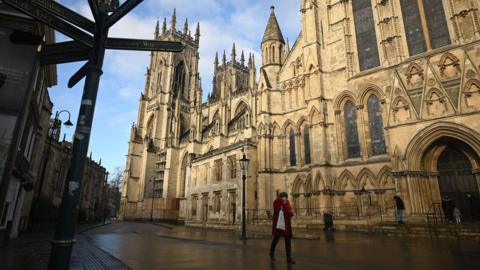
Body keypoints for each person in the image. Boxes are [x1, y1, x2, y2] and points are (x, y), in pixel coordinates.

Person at [270, 192, 295, 264]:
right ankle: (271, 252)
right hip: (279, 225)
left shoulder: (287, 202)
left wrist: (291, 213)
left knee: (288, 241)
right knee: (276, 239)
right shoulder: (277, 201)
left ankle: (289, 258)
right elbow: (277, 210)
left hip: (286, 225)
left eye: (286, 197)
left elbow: (288, 212)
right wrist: (283, 204)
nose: (285, 198)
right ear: (281, 197)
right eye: (284, 197)